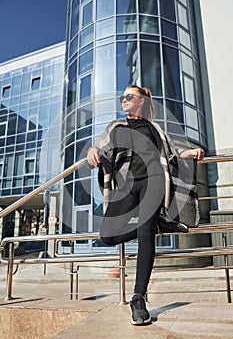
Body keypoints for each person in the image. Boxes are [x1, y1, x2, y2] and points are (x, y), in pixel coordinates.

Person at [87, 85, 204, 325]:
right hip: (127, 186)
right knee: (108, 235)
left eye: (129, 96)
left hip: (154, 181)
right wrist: (92, 150)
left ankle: (138, 298)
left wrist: (190, 152)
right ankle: (156, 224)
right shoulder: (116, 127)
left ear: (141, 101)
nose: (124, 100)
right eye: (122, 97)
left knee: (144, 235)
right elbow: (102, 147)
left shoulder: (155, 129)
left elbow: (171, 153)